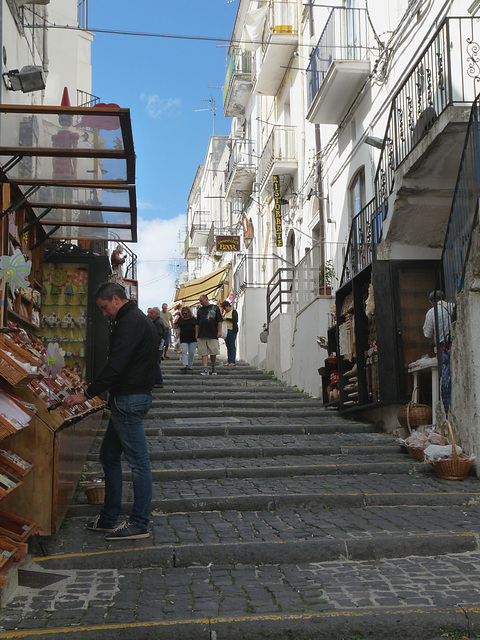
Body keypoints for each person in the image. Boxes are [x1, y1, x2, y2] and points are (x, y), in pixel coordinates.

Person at [64, 282, 157, 541]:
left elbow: (116, 364)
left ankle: (139, 523)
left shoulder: (130, 322)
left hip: (128, 399)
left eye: (105, 308)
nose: (104, 313)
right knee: (108, 455)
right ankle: (108, 517)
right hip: (132, 396)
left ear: (115, 299)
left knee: (139, 464)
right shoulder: (138, 320)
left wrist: (87, 394)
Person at [196, 294, 222, 376]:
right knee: (203, 352)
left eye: (202, 301)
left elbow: (219, 321)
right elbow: (197, 323)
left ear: (206, 299)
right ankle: (205, 369)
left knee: (213, 351)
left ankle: (213, 367)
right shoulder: (200, 310)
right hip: (202, 334)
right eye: (200, 301)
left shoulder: (215, 308)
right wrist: (196, 333)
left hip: (212, 333)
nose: (201, 303)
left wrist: (219, 331)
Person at [423, 290, 454, 356]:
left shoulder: (431, 312)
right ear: (445, 299)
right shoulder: (454, 307)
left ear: (431, 302)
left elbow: (427, 334)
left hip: (442, 346)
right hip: (456, 343)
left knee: (445, 365)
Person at [175, 306, 197, 373]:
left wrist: (197, 334)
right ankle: (185, 364)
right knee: (184, 351)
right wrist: (176, 336)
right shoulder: (181, 320)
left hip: (192, 338)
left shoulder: (193, 319)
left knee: (192, 352)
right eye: (183, 313)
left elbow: (196, 328)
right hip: (184, 337)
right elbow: (179, 329)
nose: (184, 315)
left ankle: (190, 365)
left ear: (189, 313)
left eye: (185, 313)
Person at [147, 306, 165, 388]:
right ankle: (156, 379)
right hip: (158, 345)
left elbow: (159, 335)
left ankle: (158, 380)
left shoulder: (157, 323)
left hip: (157, 346)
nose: (151, 314)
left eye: (152, 313)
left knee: (156, 363)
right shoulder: (157, 322)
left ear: (157, 314)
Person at [220, 300, 239, 367]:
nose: (225, 309)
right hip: (226, 331)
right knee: (228, 346)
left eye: (225, 308)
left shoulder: (233, 312)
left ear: (228, 306)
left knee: (232, 346)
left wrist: (227, 319)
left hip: (231, 330)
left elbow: (235, 320)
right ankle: (229, 360)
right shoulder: (226, 313)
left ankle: (232, 361)